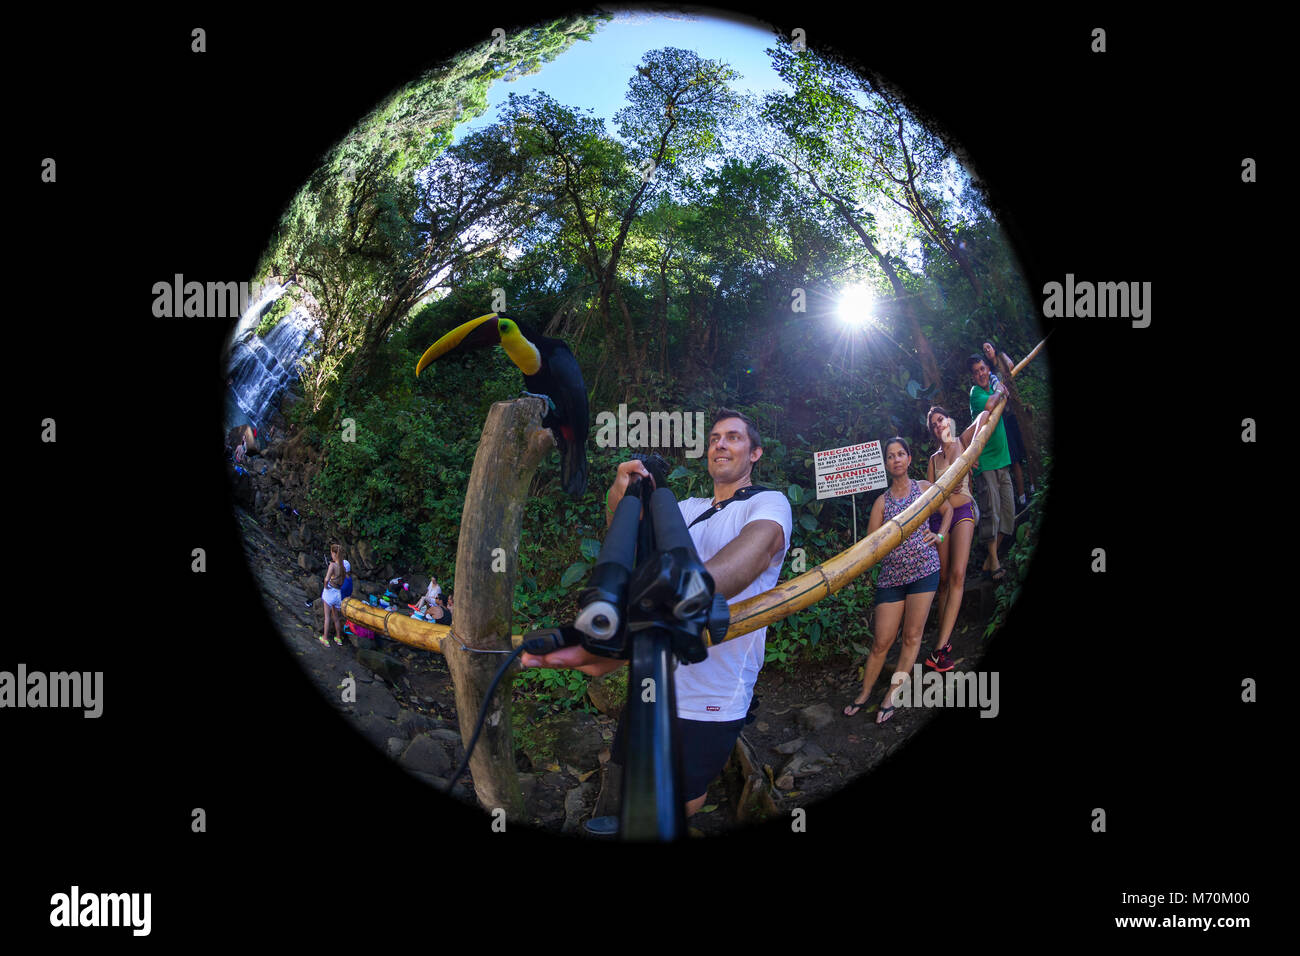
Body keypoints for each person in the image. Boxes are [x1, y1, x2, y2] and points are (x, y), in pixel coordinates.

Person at [523, 408, 792, 824]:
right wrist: (622, 491)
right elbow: (626, 540)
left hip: (709, 696)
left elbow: (758, 550)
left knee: (680, 798)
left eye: (734, 437)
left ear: (755, 453)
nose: (720, 443)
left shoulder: (768, 503)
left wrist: (678, 597)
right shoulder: (685, 508)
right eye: (715, 437)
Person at [845, 438, 950, 722]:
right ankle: (865, 692)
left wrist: (939, 535)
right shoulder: (882, 502)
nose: (896, 459)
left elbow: (948, 509)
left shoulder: (924, 489)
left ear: (909, 458)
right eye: (890, 456)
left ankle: (891, 694)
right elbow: (871, 543)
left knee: (912, 636)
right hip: (891, 579)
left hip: (923, 572)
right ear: (887, 464)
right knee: (881, 641)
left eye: (900, 454)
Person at [923, 406, 987, 672]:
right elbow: (927, 498)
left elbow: (984, 416)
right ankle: (940, 641)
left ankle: (941, 648)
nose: (939, 425)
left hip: (962, 511)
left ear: (948, 420)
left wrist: (975, 451)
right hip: (940, 520)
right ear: (932, 431)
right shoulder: (933, 460)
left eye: (941, 419)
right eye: (934, 424)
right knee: (945, 581)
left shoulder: (963, 442)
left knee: (959, 574)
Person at [968, 355, 1013, 582]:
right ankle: (994, 560)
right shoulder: (976, 393)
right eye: (976, 371)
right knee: (991, 511)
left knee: (1008, 512)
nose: (981, 373)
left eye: (983, 369)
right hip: (985, 461)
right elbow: (990, 405)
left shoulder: (994, 385)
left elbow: (1007, 380)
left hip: (1002, 459)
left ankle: (990, 558)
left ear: (987, 369)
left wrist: (1000, 388)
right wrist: (999, 391)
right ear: (973, 376)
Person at [981, 341, 1030, 507]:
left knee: (1026, 449)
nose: (987, 350)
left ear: (994, 348)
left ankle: (1033, 484)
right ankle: (1022, 496)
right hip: (1004, 417)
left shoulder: (1002, 358)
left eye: (988, 347)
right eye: (984, 349)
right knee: (1014, 457)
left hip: (1015, 411)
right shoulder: (989, 373)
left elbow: (1011, 365)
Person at [320, 543, 345, 646]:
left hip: (330, 592)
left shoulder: (332, 565)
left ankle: (325, 638)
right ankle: (338, 638)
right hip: (338, 594)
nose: (331, 555)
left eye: (331, 553)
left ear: (334, 554)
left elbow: (326, 579)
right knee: (336, 617)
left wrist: (325, 586)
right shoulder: (343, 567)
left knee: (327, 617)